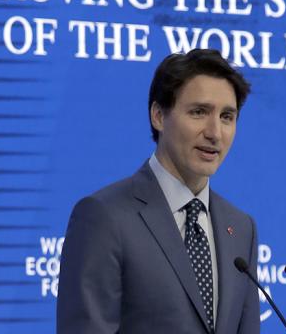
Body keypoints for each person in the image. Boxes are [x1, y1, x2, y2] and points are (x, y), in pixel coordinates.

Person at [57, 49, 260, 334]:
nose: (215, 132)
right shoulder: (104, 217)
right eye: (199, 112)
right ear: (158, 116)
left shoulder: (241, 228)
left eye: (227, 116)